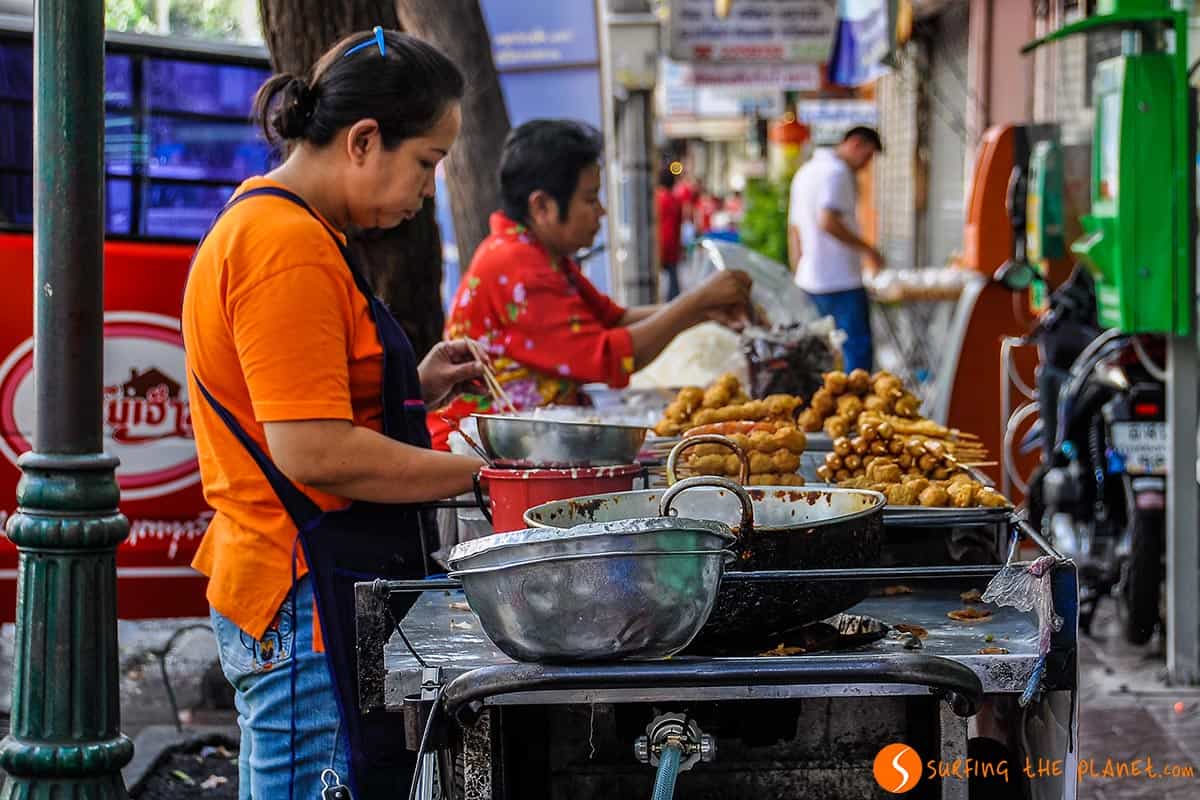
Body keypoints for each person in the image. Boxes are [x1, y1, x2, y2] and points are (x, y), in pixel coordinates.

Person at [182, 28, 484, 799]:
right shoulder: (284, 245)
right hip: (298, 594)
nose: (428, 190)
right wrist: (489, 475)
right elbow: (313, 452)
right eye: (428, 163)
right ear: (363, 140)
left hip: (302, 584)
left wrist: (413, 387)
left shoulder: (292, 228)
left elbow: (296, 402)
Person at [429, 119, 752, 448]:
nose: (601, 211)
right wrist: (695, 303)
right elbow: (608, 356)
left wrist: (704, 310)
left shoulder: (541, 255)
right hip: (479, 455)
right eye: (590, 199)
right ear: (542, 206)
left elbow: (614, 320)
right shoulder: (518, 268)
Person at [788, 126, 884, 373]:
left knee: (820, 355)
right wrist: (868, 250)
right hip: (840, 280)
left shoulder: (805, 172)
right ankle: (859, 409)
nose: (865, 165)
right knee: (856, 356)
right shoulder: (837, 172)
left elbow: (795, 230)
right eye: (867, 156)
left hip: (809, 279)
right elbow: (828, 220)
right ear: (855, 144)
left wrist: (796, 271)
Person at [656, 165, 684, 301]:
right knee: (673, 286)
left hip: (659, 245)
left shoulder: (657, 199)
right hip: (672, 245)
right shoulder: (675, 200)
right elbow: (679, 226)